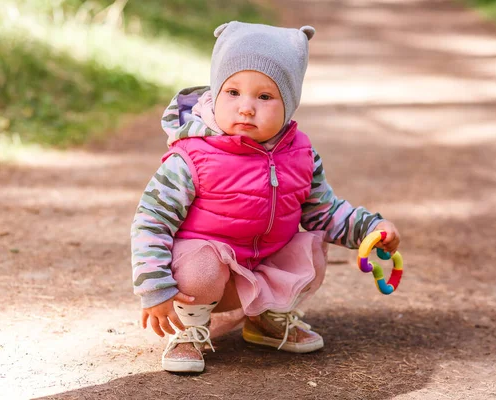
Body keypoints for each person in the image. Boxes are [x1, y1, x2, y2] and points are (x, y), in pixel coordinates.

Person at [130, 21, 401, 373]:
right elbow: (151, 220)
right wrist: (154, 286)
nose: (246, 108)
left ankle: (265, 319)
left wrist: (369, 227)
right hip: (204, 275)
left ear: (289, 104)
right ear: (215, 91)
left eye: (264, 97)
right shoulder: (192, 157)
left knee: (309, 245)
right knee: (201, 265)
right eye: (233, 92)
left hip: (260, 265)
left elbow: (324, 212)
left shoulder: (300, 155)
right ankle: (188, 329)